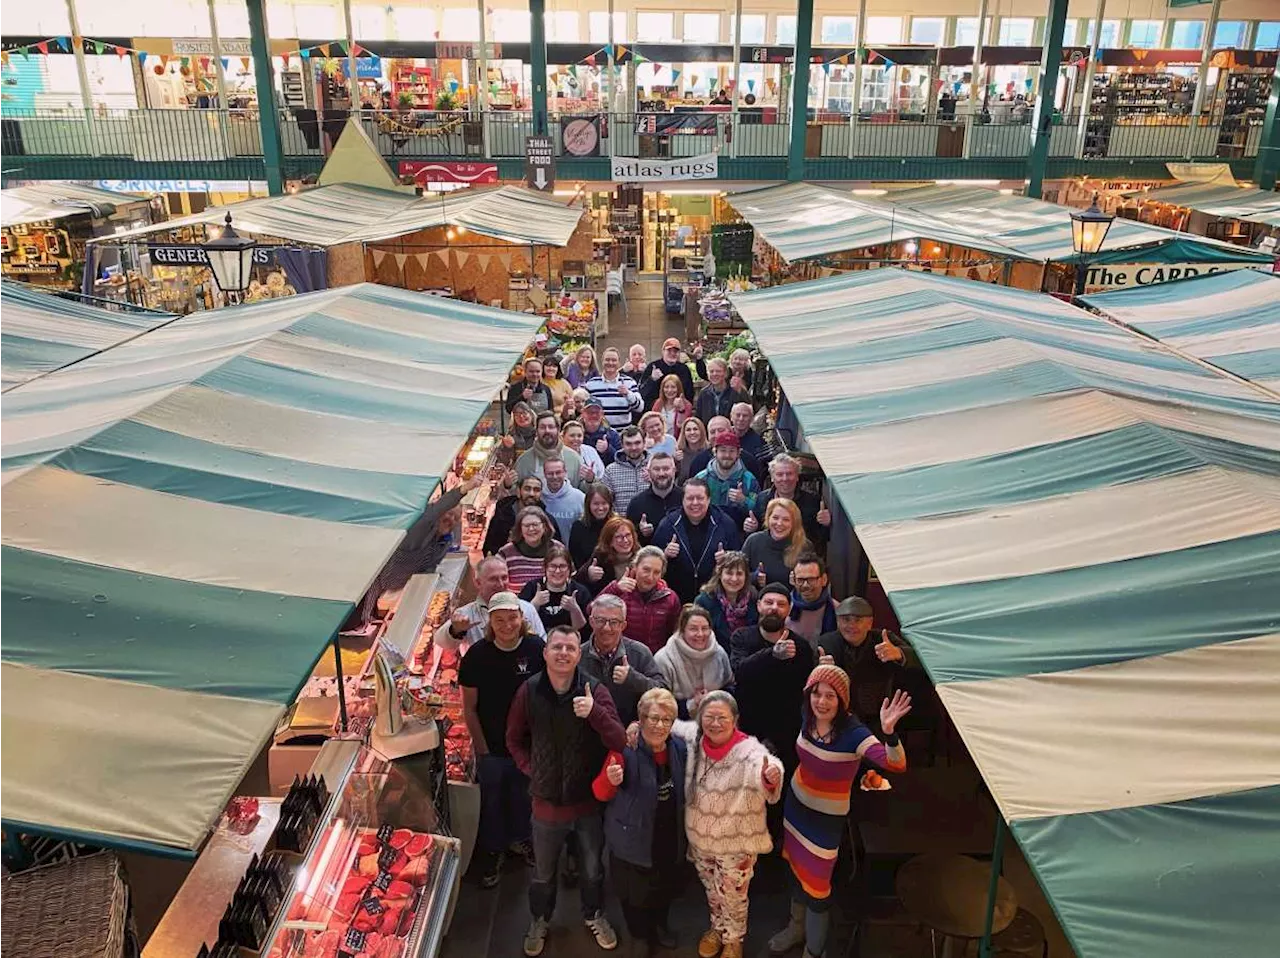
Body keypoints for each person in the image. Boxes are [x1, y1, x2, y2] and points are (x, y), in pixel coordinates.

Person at [770, 670, 911, 958]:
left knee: (818, 889)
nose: (821, 701)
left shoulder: (854, 733)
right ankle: (796, 929)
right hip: (796, 810)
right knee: (796, 872)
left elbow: (896, 765)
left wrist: (889, 733)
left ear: (842, 700)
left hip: (824, 824)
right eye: (816, 693)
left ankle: (814, 951)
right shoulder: (807, 718)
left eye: (830, 695)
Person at [507, 627, 627, 956]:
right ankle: (539, 920)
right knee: (543, 873)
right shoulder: (529, 691)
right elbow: (514, 739)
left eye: (570, 648)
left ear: (579, 654)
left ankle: (594, 914)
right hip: (545, 804)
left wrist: (594, 713)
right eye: (556, 646)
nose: (563, 653)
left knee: (592, 868)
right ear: (545, 653)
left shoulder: (595, 690)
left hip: (587, 802)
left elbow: (619, 739)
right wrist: (531, 769)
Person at [670, 692, 784, 958]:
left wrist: (772, 775)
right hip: (701, 837)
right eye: (709, 717)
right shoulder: (694, 737)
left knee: (733, 894)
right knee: (711, 887)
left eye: (722, 717)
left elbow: (767, 765)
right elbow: (666, 720)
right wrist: (636, 725)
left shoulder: (749, 750)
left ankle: (734, 939)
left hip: (736, 841)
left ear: (735, 720)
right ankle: (717, 928)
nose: (715, 723)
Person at [459, 592, 545, 888]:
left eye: (512, 618)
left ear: (522, 619)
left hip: (528, 747)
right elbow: (469, 708)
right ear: (490, 623)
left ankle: (522, 841)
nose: (507, 625)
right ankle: (494, 851)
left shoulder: (536, 649)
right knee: (492, 803)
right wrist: (482, 749)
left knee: (525, 797)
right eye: (499, 620)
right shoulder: (476, 656)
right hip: (492, 747)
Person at [592, 688, 687, 958]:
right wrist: (610, 780)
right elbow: (599, 793)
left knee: (665, 887)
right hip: (632, 841)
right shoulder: (624, 749)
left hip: (668, 835)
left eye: (666, 719)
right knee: (634, 896)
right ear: (641, 719)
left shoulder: (679, 747)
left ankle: (660, 926)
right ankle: (640, 936)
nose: (659, 725)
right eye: (653, 718)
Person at [348, 475, 477, 628]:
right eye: (448, 513)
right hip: (375, 582)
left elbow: (429, 568)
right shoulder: (420, 528)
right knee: (357, 623)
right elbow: (433, 511)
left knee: (375, 621)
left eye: (456, 518)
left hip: (396, 588)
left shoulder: (445, 540)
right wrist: (463, 490)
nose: (451, 519)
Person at [730, 584, 815, 776]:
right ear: (759, 605)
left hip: (787, 733)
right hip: (748, 729)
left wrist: (825, 667)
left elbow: (806, 690)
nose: (774, 607)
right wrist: (772, 655)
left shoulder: (800, 646)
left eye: (781, 604)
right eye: (769, 602)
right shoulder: (742, 637)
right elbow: (739, 672)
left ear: (789, 609)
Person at [815, 596, 914, 735]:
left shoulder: (883, 638)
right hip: (839, 717)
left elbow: (919, 658)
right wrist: (822, 671)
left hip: (879, 716)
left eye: (858, 620)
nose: (851, 626)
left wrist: (899, 653)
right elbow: (812, 680)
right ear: (837, 622)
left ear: (869, 623)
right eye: (846, 620)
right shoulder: (827, 642)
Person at [580, 593, 667, 725]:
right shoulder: (578, 655)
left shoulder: (639, 653)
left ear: (623, 625)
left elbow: (663, 692)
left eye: (614, 622)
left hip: (631, 732)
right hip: (587, 731)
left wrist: (633, 678)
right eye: (600, 621)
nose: (607, 628)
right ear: (591, 621)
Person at [651, 479, 742, 604]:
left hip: (714, 599)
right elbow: (651, 559)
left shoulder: (725, 524)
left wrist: (727, 558)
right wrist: (664, 553)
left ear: (709, 499)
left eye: (700, 498)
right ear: (682, 500)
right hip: (675, 599)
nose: (695, 503)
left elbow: (740, 561)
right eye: (690, 498)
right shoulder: (668, 524)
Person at [435, 555, 547, 649]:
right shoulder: (466, 614)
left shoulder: (527, 608)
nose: (501, 584)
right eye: (493, 579)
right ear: (478, 583)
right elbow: (441, 643)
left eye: (504, 577)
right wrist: (456, 630)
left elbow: (542, 643)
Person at [654, 605, 734, 720]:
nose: (700, 634)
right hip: (676, 722)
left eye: (705, 628)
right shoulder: (664, 658)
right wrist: (691, 704)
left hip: (717, 717)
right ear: (682, 630)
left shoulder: (719, 653)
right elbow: (659, 703)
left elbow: (730, 685)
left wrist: (713, 699)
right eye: (693, 629)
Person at [600, 546, 682, 655]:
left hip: (655, 659)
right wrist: (615, 589)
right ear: (635, 567)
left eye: (656, 572)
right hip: (622, 656)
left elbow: (674, 633)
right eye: (646, 570)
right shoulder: (619, 590)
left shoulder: (670, 598)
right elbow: (591, 610)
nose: (650, 577)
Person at [748, 453, 831, 554]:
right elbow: (757, 532)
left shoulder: (813, 501)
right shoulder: (762, 499)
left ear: (797, 477)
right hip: (769, 556)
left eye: (789, 474)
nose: (785, 478)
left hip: (800, 557)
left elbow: (821, 539)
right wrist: (751, 527)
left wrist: (825, 524)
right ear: (772, 478)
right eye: (779, 474)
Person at [520, 544, 591, 637]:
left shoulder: (580, 591)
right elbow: (520, 623)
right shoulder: (532, 588)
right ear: (545, 568)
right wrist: (534, 605)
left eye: (562, 566)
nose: (557, 571)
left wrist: (574, 610)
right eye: (552, 566)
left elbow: (584, 631)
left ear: (569, 569)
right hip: (538, 641)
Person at [695, 551, 758, 654]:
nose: (734, 578)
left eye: (739, 574)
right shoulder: (704, 601)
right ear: (719, 574)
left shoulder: (754, 599)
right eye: (729, 573)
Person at [742, 498, 810, 591]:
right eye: (775, 518)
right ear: (768, 518)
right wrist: (754, 577)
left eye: (786, 519)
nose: (779, 523)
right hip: (759, 601)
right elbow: (738, 575)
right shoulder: (753, 541)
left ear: (794, 523)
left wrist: (799, 583)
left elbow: (812, 582)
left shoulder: (804, 546)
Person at [695, 432, 759, 529]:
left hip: (737, 534)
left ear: (738, 453)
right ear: (715, 452)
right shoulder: (701, 479)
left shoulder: (749, 479)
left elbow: (759, 509)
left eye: (732, 451)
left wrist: (744, 500)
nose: (727, 455)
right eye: (723, 450)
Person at [516, 410, 585, 490]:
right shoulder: (524, 461)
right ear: (536, 431)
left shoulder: (574, 459)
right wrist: (507, 485)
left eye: (551, 427)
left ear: (558, 430)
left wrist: (589, 481)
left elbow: (584, 491)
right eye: (542, 427)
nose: (547, 431)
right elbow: (516, 492)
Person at [499, 506, 564, 589]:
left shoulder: (558, 549)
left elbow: (569, 578)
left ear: (544, 526)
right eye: (526, 525)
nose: (531, 529)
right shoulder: (506, 552)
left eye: (535, 525)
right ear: (520, 528)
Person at [483, 471, 545, 557]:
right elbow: (490, 546)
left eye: (536, 490)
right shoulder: (502, 516)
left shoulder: (547, 520)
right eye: (527, 489)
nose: (531, 494)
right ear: (518, 492)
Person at [626, 452, 682, 546]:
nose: (661, 473)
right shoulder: (636, 503)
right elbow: (630, 539)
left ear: (674, 470)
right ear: (648, 471)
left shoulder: (685, 499)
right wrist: (641, 533)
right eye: (656, 469)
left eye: (666, 469)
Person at [578, 515, 640, 597]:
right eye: (619, 537)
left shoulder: (642, 557)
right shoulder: (601, 556)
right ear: (609, 541)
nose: (625, 540)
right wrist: (588, 576)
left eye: (628, 535)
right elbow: (577, 579)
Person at [687, 417, 763, 485]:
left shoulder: (749, 461)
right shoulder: (698, 462)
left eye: (721, 430)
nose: (717, 435)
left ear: (731, 431)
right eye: (712, 432)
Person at [787, 552, 839, 647]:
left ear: (824, 579)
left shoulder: (837, 610)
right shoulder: (784, 607)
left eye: (811, 579)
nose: (805, 585)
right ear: (793, 580)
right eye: (800, 580)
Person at [586, 347, 643, 429]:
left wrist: (628, 394)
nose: (610, 363)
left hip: (623, 435)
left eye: (614, 360)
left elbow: (640, 408)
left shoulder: (629, 382)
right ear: (602, 362)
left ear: (619, 363)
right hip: (599, 435)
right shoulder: (591, 384)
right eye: (607, 360)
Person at [604, 426, 651, 516]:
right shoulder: (611, 470)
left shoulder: (654, 466)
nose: (633, 447)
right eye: (628, 444)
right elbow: (606, 500)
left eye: (637, 443)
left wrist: (655, 481)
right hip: (622, 524)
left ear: (644, 443)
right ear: (622, 445)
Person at [539, 456, 586, 541]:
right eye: (550, 473)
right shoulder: (539, 498)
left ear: (565, 472)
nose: (554, 477)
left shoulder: (580, 498)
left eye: (558, 472)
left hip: (571, 552)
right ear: (544, 474)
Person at [639, 337, 697, 407]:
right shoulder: (653, 366)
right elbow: (642, 393)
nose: (672, 353)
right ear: (663, 351)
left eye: (675, 351)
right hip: (655, 411)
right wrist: (652, 379)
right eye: (669, 350)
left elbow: (689, 393)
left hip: (678, 410)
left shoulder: (684, 369)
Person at [570, 483, 616, 569]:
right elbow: (575, 558)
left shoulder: (617, 526)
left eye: (604, 503)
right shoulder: (578, 527)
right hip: (585, 579)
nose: (601, 508)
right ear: (588, 505)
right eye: (596, 504)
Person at [694, 358, 747, 424]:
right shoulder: (704, 393)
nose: (715, 374)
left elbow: (748, 408)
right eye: (711, 371)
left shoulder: (735, 391)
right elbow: (698, 418)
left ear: (725, 373)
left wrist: (740, 391)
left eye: (718, 371)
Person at [496, 402, 538, 470]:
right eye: (517, 415)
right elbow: (503, 462)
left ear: (531, 414)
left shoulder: (540, 432)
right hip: (519, 472)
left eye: (524, 413)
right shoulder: (511, 436)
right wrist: (507, 448)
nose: (521, 417)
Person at [564, 419, 607, 484]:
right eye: (572, 435)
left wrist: (592, 478)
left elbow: (602, 474)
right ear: (562, 436)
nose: (576, 439)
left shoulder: (590, 450)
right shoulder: (559, 453)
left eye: (579, 436)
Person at [581, 398, 622, 465]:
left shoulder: (612, 434)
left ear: (602, 414)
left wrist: (607, 449)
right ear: (582, 413)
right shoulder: (575, 434)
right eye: (590, 412)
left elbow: (621, 459)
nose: (594, 415)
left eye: (597, 412)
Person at [676, 417, 711, 483]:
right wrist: (675, 461)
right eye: (688, 430)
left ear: (701, 431)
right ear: (684, 433)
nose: (692, 432)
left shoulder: (709, 451)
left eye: (695, 429)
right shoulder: (679, 454)